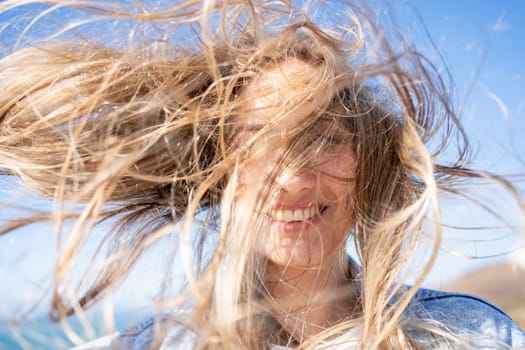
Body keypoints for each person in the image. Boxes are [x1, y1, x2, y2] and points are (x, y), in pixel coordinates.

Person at [0, 0, 524, 349]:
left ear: (367, 160)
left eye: (324, 137)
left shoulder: (469, 334)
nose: (292, 177)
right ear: (223, 168)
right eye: (259, 139)